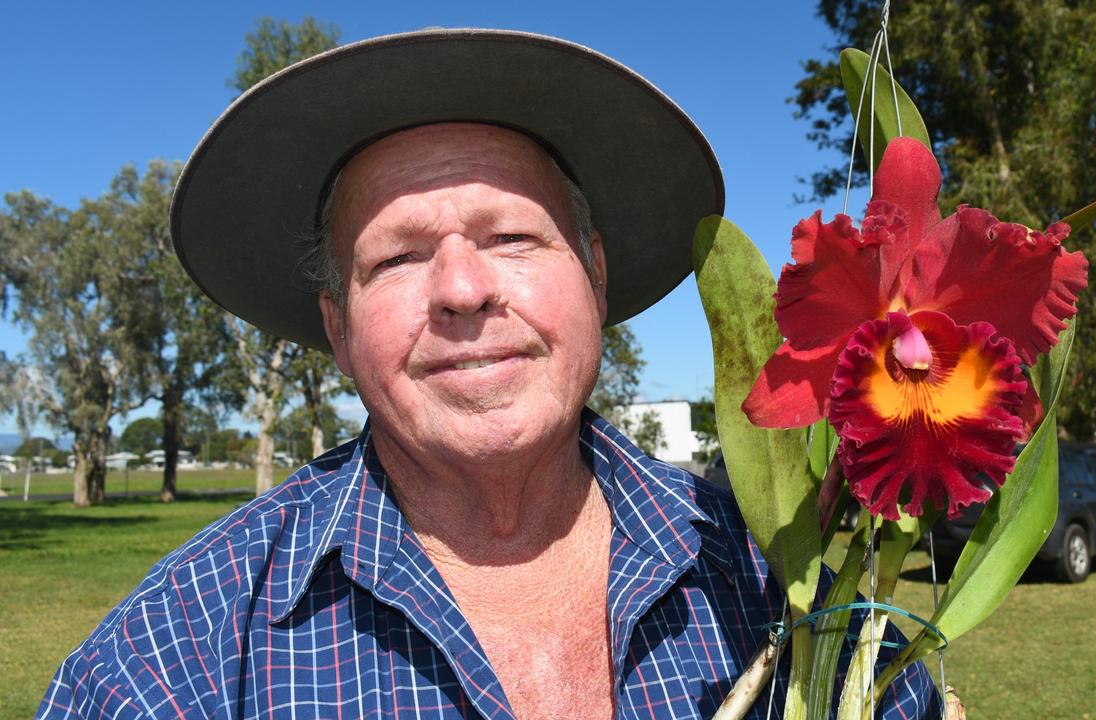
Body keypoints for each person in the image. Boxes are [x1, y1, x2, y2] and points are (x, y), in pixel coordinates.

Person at [38, 29, 940, 719]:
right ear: (338, 328)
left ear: (593, 274)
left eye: (511, 236)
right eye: (396, 259)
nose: (463, 289)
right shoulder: (173, 658)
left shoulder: (784, 583)